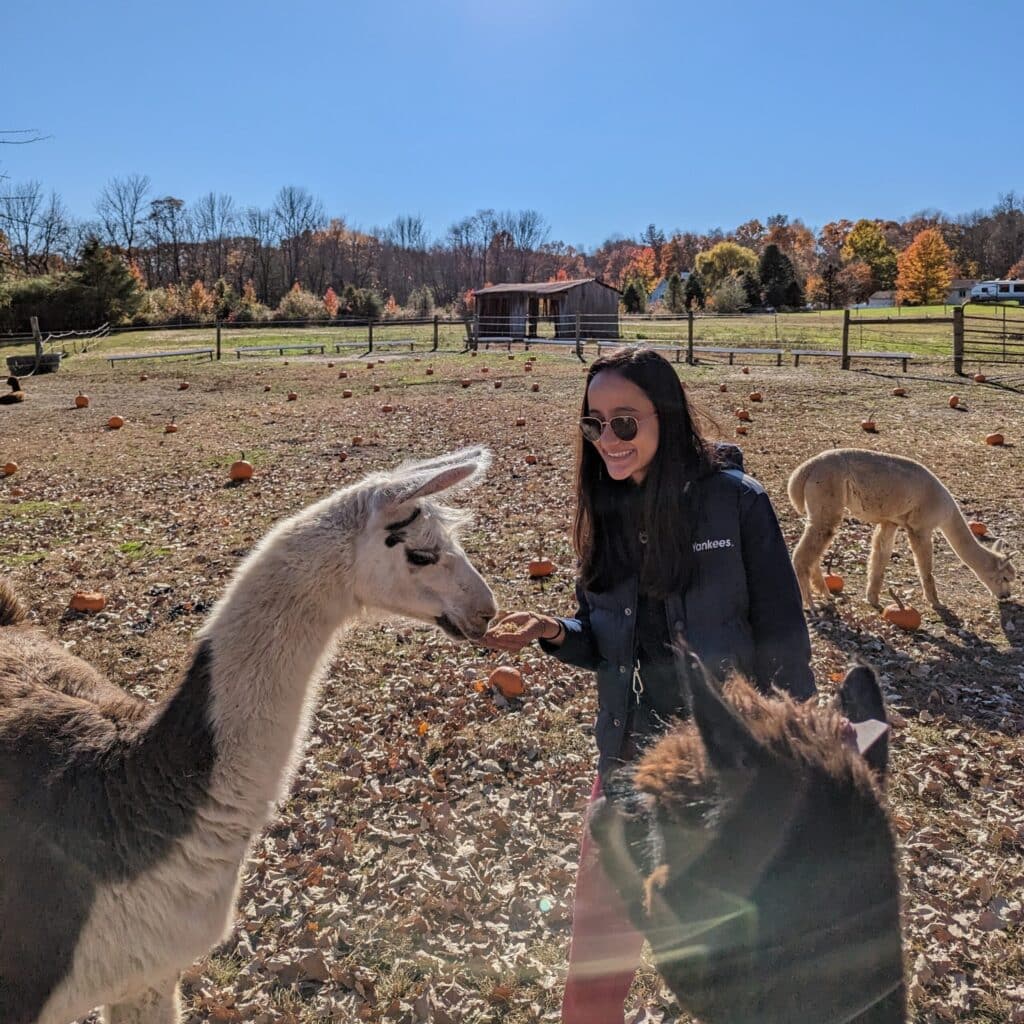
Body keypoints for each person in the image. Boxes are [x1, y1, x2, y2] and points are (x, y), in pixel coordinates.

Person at [482, 345, 816, 1024]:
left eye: (624, 423)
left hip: (729, 768)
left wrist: (798, 771)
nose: (608, 440)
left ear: (664, 416)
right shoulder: (602, 514)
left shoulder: (738, 508)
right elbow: (603, 640)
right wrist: (554, 631)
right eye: (594, 425)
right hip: (630, 765)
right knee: (596, 957)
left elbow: (785, 647)